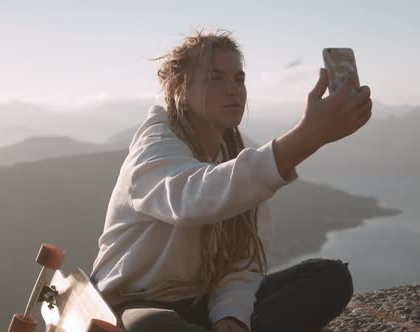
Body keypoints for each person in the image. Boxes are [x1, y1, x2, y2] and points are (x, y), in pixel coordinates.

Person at [90, 28, 372, 332]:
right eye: (216, 77)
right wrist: (305, 139)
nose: (233, 89)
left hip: (201, 303)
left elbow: (244, 261)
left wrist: (231, 316)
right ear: (177, 87)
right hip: (131, 305)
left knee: (328, 278)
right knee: (155, 326)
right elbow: (193, 199)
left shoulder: (233, 156)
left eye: (239, 79)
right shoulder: (154, 148)